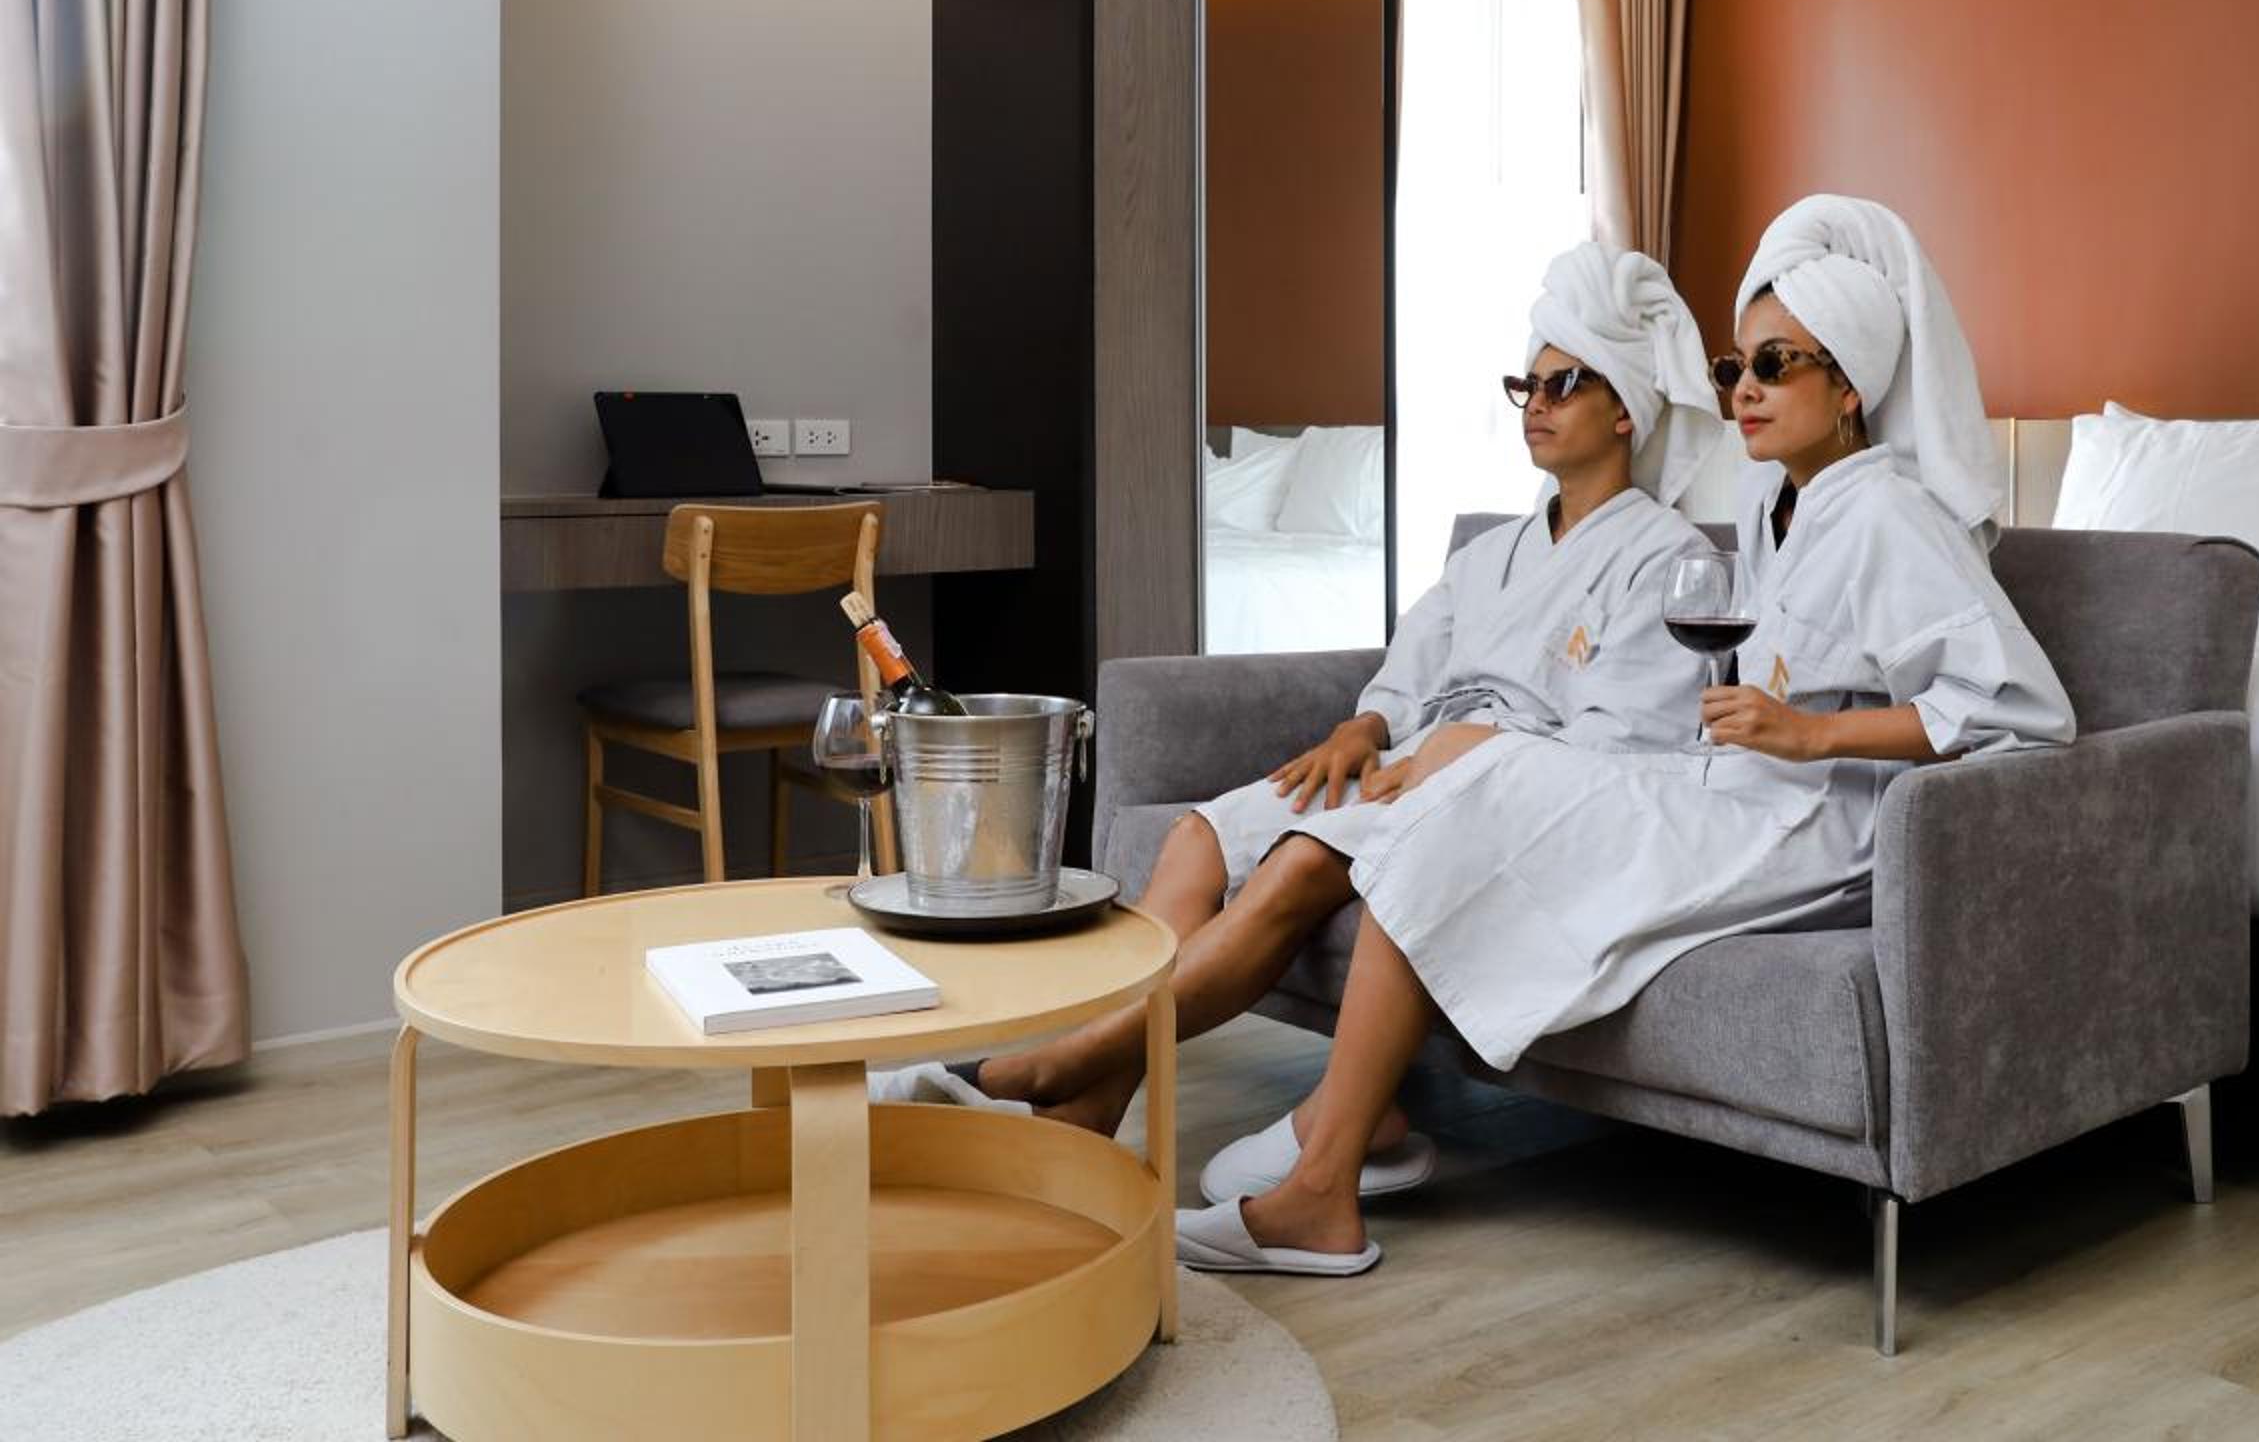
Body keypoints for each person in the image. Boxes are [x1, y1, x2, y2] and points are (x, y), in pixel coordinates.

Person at [1172, 194, 2077, 1277]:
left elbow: (2017, 708)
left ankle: (1322, 1177)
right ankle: (1331, 1165)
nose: (1743, 389)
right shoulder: (1776, 509)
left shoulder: (1889, 514)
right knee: (1474, 794)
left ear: (1849, 386)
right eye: (1736, 365)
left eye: (1775, 364)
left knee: (1496, 788)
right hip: (1730, 787)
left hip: (1815, 822)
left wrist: (1810, 734)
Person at [873, 239, 1725, 1189]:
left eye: (1563, 384)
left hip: (1502, 793)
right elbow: (1410, 668)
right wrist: (1363, 730)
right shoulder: (1495, 551)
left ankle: (1050, 1067)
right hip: (1410, 765)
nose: (1536, 404)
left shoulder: (1666, 557)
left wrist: (1458, 755)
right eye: (1526, 384)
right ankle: (1090, 1107)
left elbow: (1617, 748)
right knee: (1201, 836)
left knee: (1299, 859)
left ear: (1625, 407)